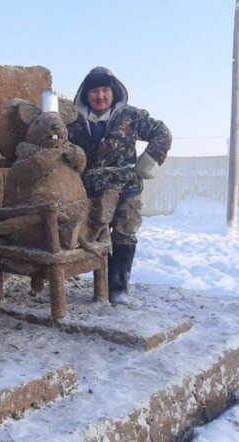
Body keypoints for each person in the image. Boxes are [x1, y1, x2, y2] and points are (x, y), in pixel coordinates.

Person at [67, 67, 172, 305]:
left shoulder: (131, 116)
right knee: (92, 237)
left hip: (126, 189)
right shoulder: (73, 121)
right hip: (90, 192)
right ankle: (99, 286)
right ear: (86, 94)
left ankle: (118, 288)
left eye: (105, 90)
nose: (100, 96)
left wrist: (148, 160)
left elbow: (162, 133)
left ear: (114, 92)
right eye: (95, 90)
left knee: (124, 234)